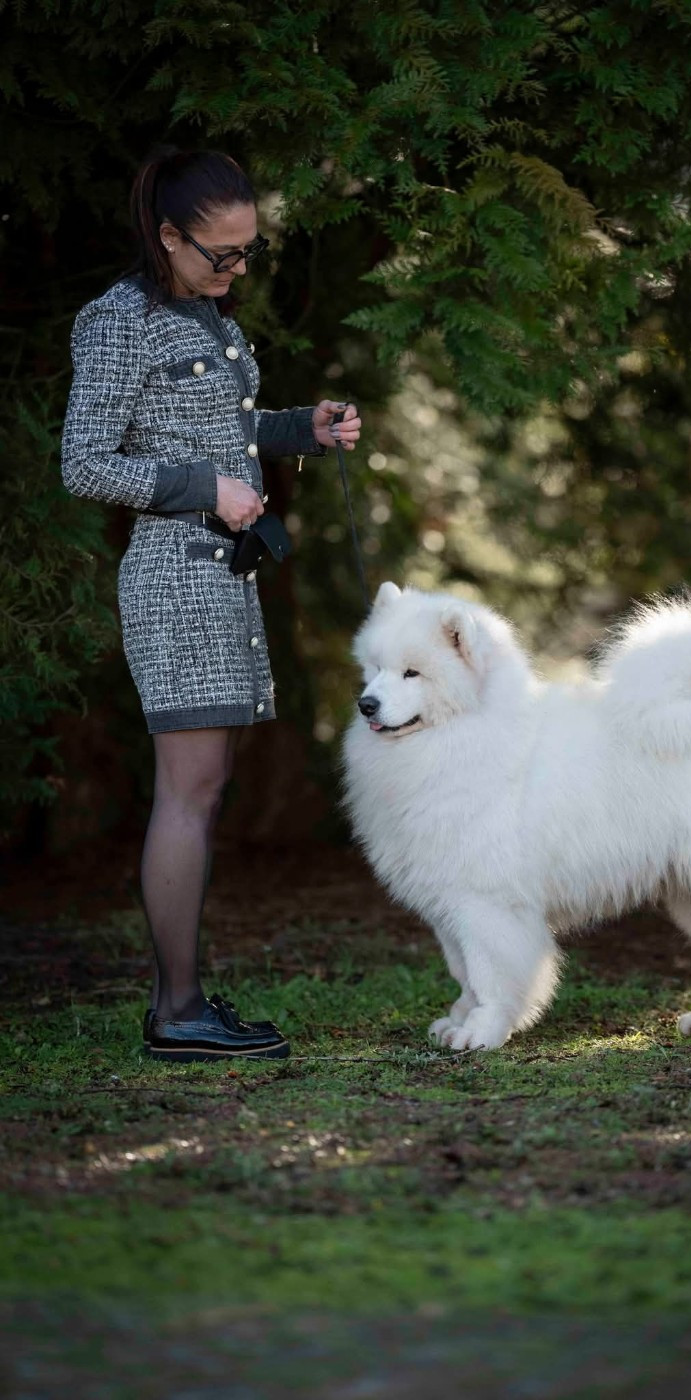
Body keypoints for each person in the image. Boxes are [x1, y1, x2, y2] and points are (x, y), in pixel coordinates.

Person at [61, 148, 362, 1063]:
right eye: (220, 255)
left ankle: (182, 1000)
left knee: (208, 789)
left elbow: (225, 429)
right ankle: (178, 1012)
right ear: (168, 236)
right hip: (175, 578)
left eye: (247, 253)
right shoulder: (117, 322)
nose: (236, 271)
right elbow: (85, 463)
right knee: (187, 796)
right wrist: (205, 486)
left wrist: (296, 426)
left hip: (221, 577)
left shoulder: (204, 316)